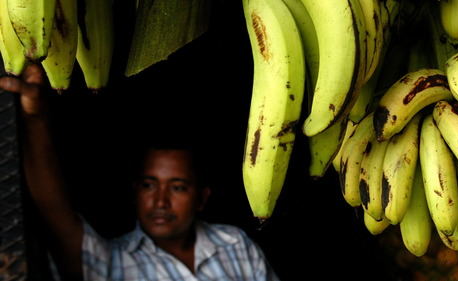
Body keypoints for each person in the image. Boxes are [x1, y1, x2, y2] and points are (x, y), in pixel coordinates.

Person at [0, 64, 280, 281]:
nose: (160, 201)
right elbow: (54, 211)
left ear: (201, 198)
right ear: (135, 191)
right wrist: (35, 119)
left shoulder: (234, 244)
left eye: (178, 187)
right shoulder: (114, 262)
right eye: (149, 185)